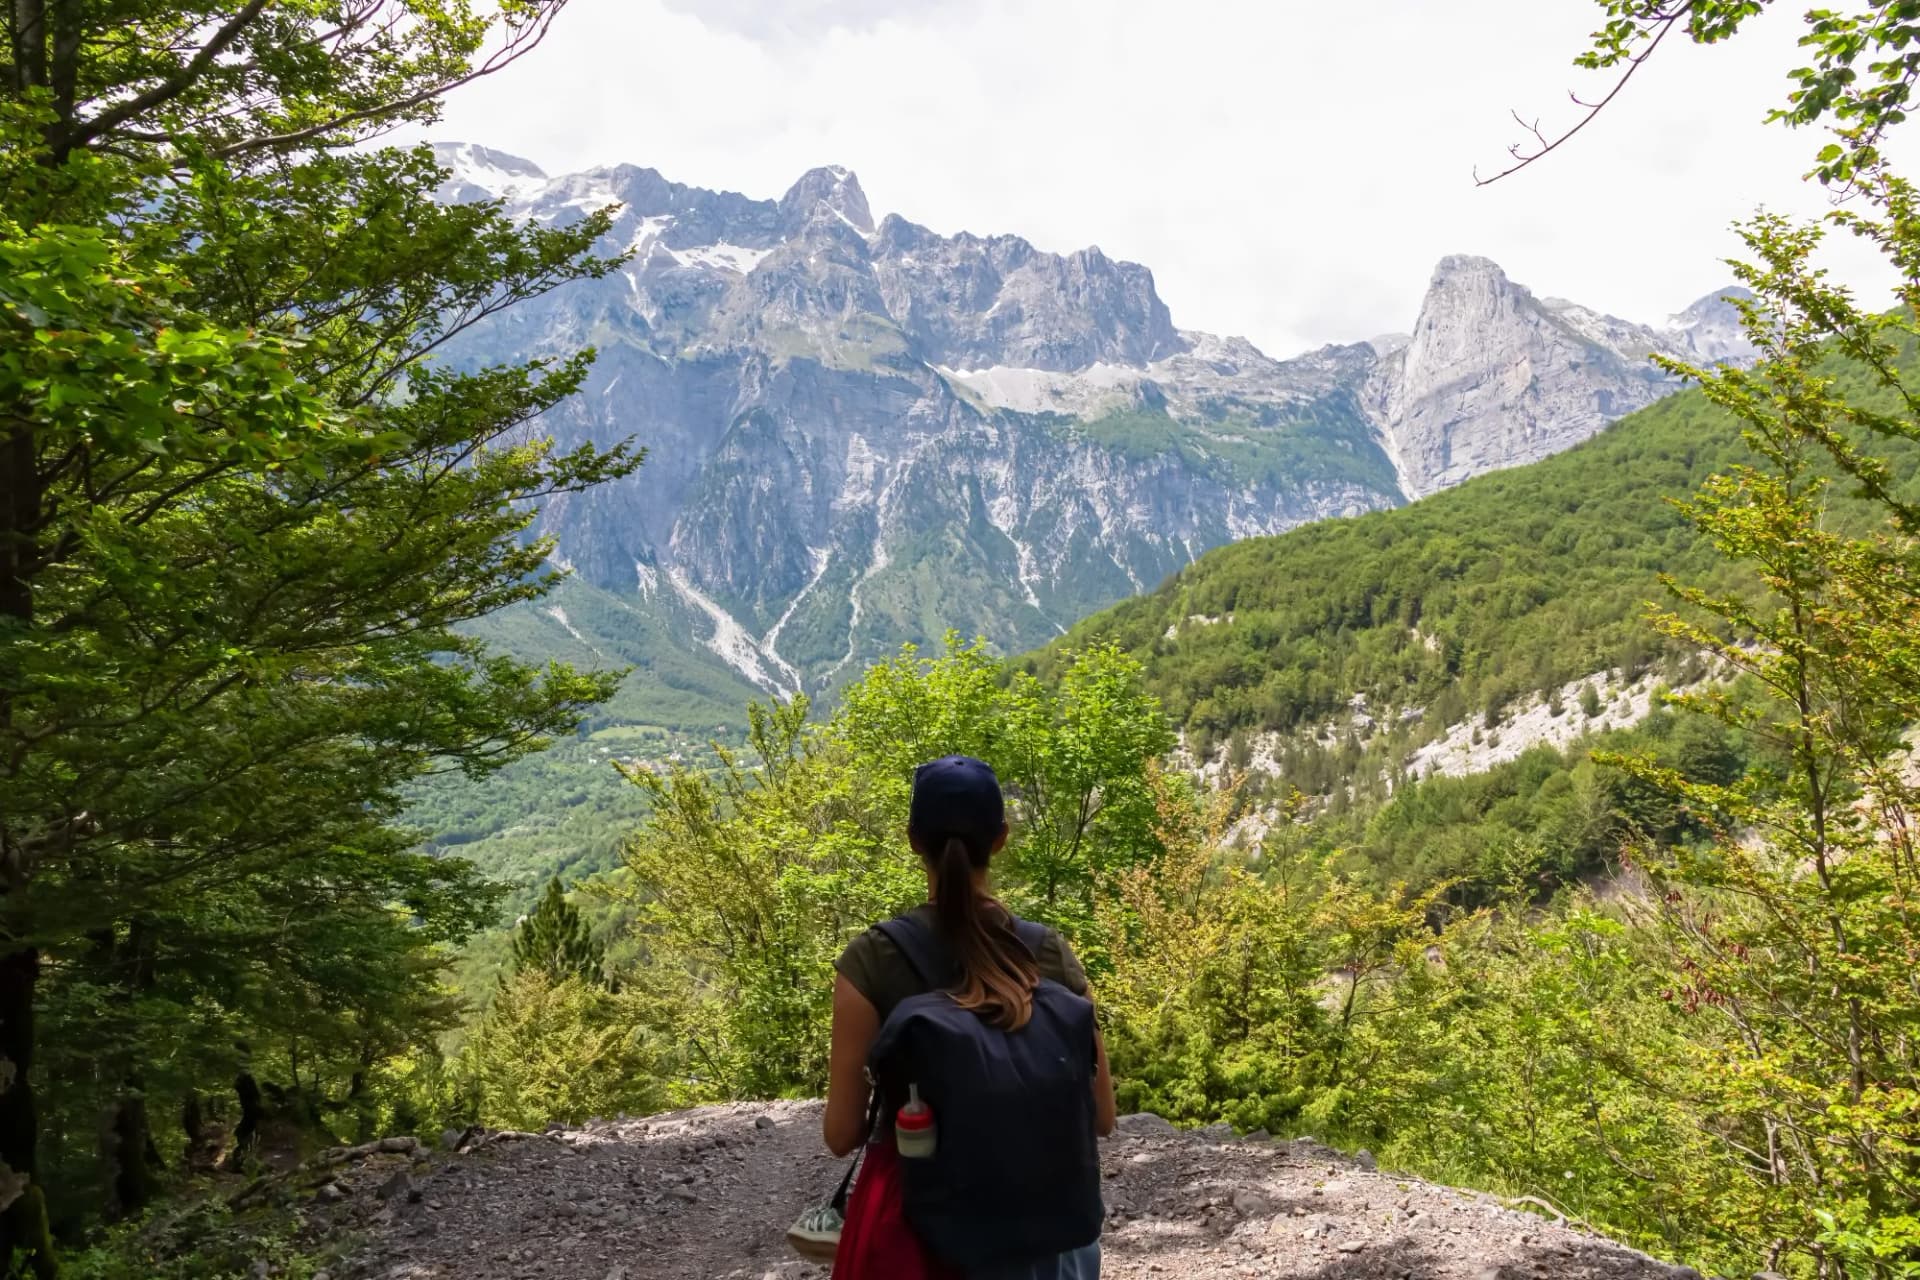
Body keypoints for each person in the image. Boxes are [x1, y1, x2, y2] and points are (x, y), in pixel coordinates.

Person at [823, 755, 1118, 1280]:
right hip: (1045, 1238)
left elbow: (842, 1133)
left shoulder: (872, 959)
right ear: (1000, 839)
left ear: (914, 841)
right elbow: (1102, 1117)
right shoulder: (1049, 953)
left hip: (920, 1236)